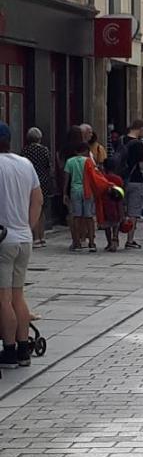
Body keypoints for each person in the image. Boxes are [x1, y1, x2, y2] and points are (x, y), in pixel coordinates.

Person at [0, 123, 43, 369]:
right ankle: (24, 349)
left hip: (3, 238)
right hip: (23, 238)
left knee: (3, 298)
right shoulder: (24, 164)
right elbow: (37, 199)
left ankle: (9, 351)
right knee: (18, 295)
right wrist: (27, 226)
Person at [21, 128, 53, 246]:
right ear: (39, 138)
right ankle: (42, 236)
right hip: (43, 181)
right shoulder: (44, 150)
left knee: (32, 207)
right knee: (42, 208)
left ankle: (35, 237)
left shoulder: (26, 151)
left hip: (30, 180)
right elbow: (48, 166)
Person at [64, 142, 97, 252]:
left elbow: (66, 179)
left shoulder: (70, 161)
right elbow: (93, 176)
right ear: (86, 151)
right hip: (87, 190)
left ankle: (77, 242)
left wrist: (65, 193)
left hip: (75, 190)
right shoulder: (88, 161)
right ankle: (91, 242)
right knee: (89, 217)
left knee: (76, 217)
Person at [122, 120, 143, 249]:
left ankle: (114, 239)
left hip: (120, 180)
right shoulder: (138, 144)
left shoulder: (121, 140)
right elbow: (142, 167)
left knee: (120, 210)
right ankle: (130, 239)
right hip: (135, 179)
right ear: (141, 129)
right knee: (133, 211)